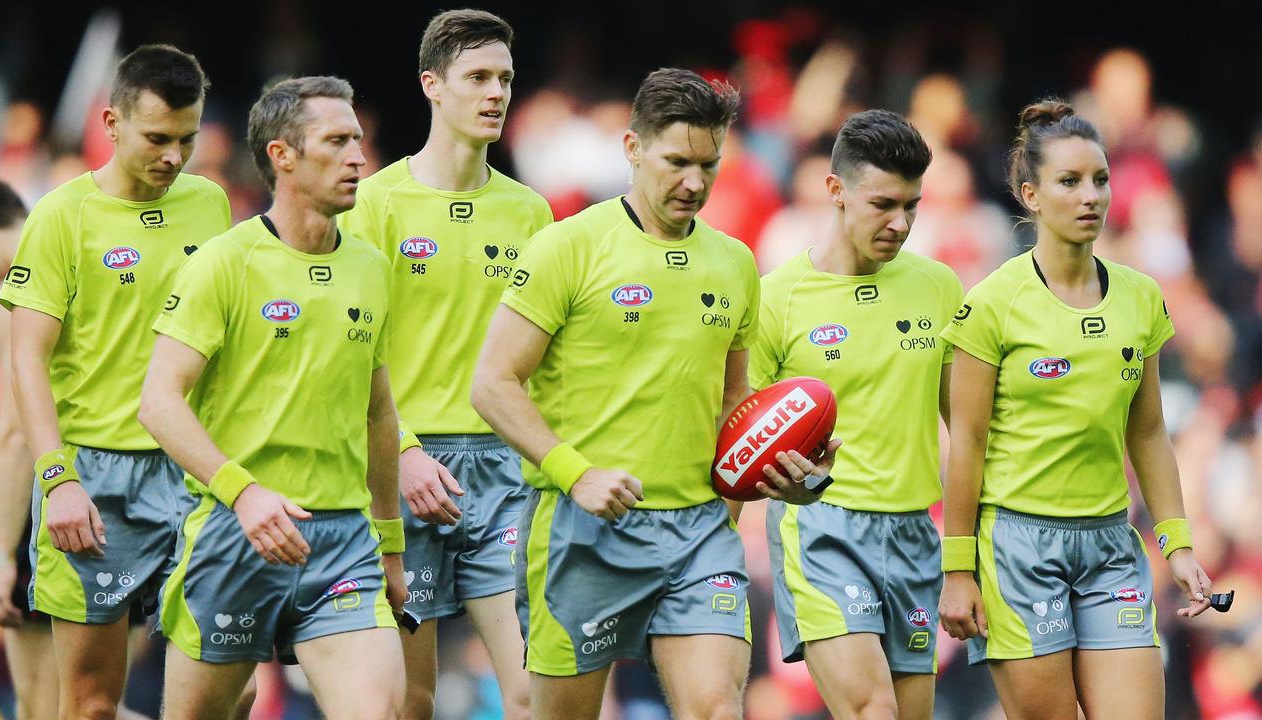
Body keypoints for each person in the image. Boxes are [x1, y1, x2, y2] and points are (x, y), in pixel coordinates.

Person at [471, 67, 836, 720]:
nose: (694, 182)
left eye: (708, 164)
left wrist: (789, 476)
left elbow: (733, 407)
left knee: (718, 708)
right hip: (583, 533)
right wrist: (575, 474)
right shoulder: (566, 247)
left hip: (700, 534)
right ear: (633, 148)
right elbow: (492, 384)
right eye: (676, 161)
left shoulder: (734, 264)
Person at [138, 75, 406, 720]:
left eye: (359, 141)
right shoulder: (224, 263)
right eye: (337, 141)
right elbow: (158, 403)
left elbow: (379, 411)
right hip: (235, 535)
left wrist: (391, 543)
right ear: (282, 156)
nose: (358, 157)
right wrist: (244, 492)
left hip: (343, 542)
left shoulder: (371, 266)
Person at [937, 99, 1215, 719]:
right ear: (1031, 195)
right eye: (1069, 182)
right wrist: (958, 569)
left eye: (1099, 179)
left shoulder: (1142, 298)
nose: (1091, 196)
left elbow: (1147, 433)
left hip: (1112, 544)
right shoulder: (992, 304)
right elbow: (969, 443)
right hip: (1017, 547)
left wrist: (1179, 546)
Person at [0, 45, 232, 720]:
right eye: (157, 138)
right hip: (94, 482)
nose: (173, 156)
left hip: (191, 475)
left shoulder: (212, 205)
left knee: (232, 690)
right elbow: (26, 359)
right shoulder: (61, 216)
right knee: (95, 705)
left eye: (187, 139)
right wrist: (57, 478)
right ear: (111, 123)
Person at [338, 10, 552, 719]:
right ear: (432, 84)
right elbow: (348, 354)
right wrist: (399, 452)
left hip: (504, 473)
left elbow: (548, 363)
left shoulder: (532, 214)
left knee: (531, 688)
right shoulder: (374, 204)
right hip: (404, 468)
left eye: (506, 79)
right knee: (412, 698)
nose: (496, 93)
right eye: (478, 77)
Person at [750, 110, 960, 720]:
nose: (900, 223)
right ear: (835, 190)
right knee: (872, 708)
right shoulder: (775, 299)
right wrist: (784, 481)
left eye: (912, 206)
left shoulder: (940, 288)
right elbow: (737, 433)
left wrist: (971, 548)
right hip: (821, 529)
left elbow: (969, 427)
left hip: (916, 532)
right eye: (883, 204)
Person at [0, 176, 58, 720]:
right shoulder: (84, 259)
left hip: (50, 509)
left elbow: (14, 434)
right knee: (92, 704)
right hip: (134, 493)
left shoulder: (14, 296)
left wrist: (2, 556)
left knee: (44, 710)